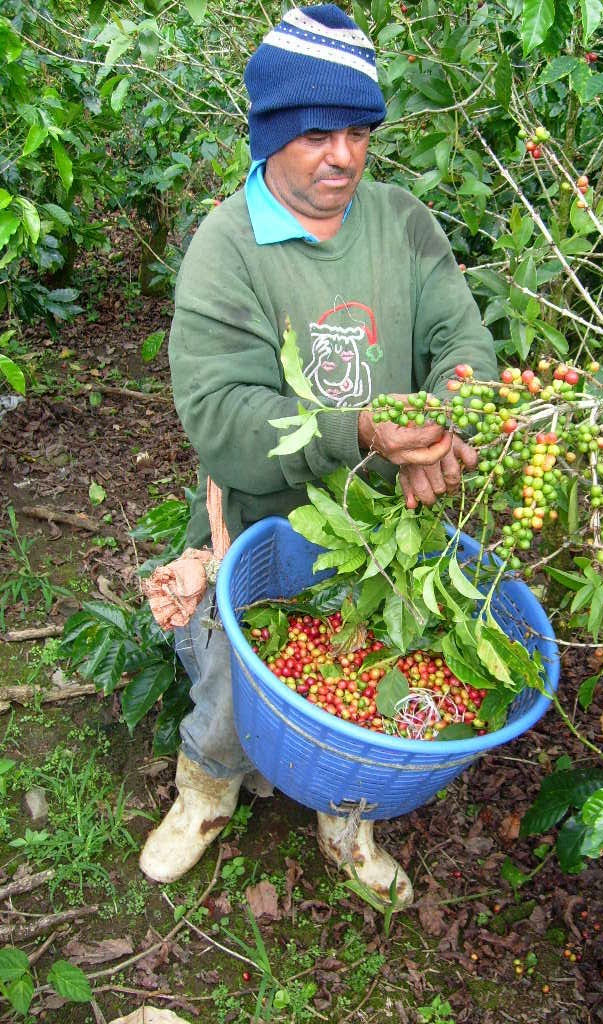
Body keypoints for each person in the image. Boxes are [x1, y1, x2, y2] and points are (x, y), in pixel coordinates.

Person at [139, 3, 498, 907]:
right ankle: (205, 793)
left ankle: (347, 817)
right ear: (270, 136)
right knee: (231, 681)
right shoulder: (227, 250)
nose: (343, 155)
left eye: (360, 131)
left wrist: (448, 420)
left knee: (366, 675)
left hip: (388, 531)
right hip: (264, 526)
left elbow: (463, 340)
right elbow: (219, 417)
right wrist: (363, 432)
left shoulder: (403, 221)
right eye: (318, 134)